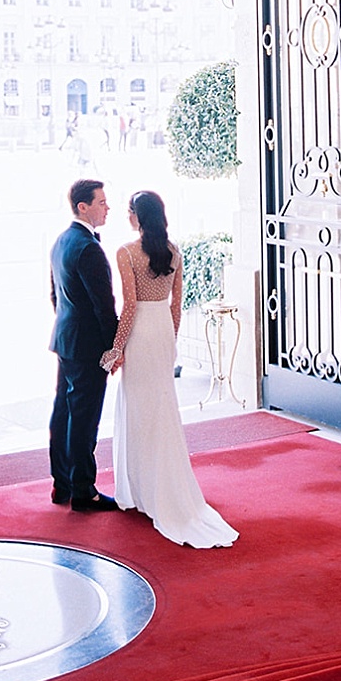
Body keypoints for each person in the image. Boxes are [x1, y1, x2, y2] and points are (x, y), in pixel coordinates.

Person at [102, 190, 238, 548]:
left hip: (141, 332)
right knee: (162, 408)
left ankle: (140, 489)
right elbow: (177, 306)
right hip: (162, 329)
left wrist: (116, 350)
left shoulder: (126, 253)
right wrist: (171, 341)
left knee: (139, 409)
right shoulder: (174, 251)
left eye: (129, 212)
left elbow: (129, 305)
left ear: (136, 216)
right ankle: (159, 487)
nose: (127, 216)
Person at [47, 178, 119, 512]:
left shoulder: (61, 241)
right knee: (84, 418)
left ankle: (61, 483)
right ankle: (83, 490)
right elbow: (104, 305)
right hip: (87, 345)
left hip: (65, 338)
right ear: (83, 207)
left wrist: (68, 327)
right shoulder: (88, 247)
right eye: (102, 202)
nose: (107, 208)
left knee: (64, 411)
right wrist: (114, 346)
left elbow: (55, 294)